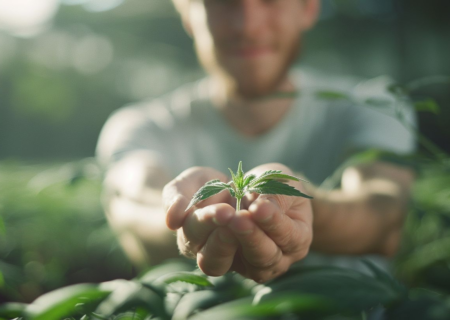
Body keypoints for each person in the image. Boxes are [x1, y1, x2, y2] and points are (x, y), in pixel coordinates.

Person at [96, 0, 416, 283]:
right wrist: (186, 214)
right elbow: (132, 205)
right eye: (223, 2)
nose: (247, 26)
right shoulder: (142, 125)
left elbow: (383, 212)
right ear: (189, 15)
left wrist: (302, 207)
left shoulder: (374, 104)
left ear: (308, 8)